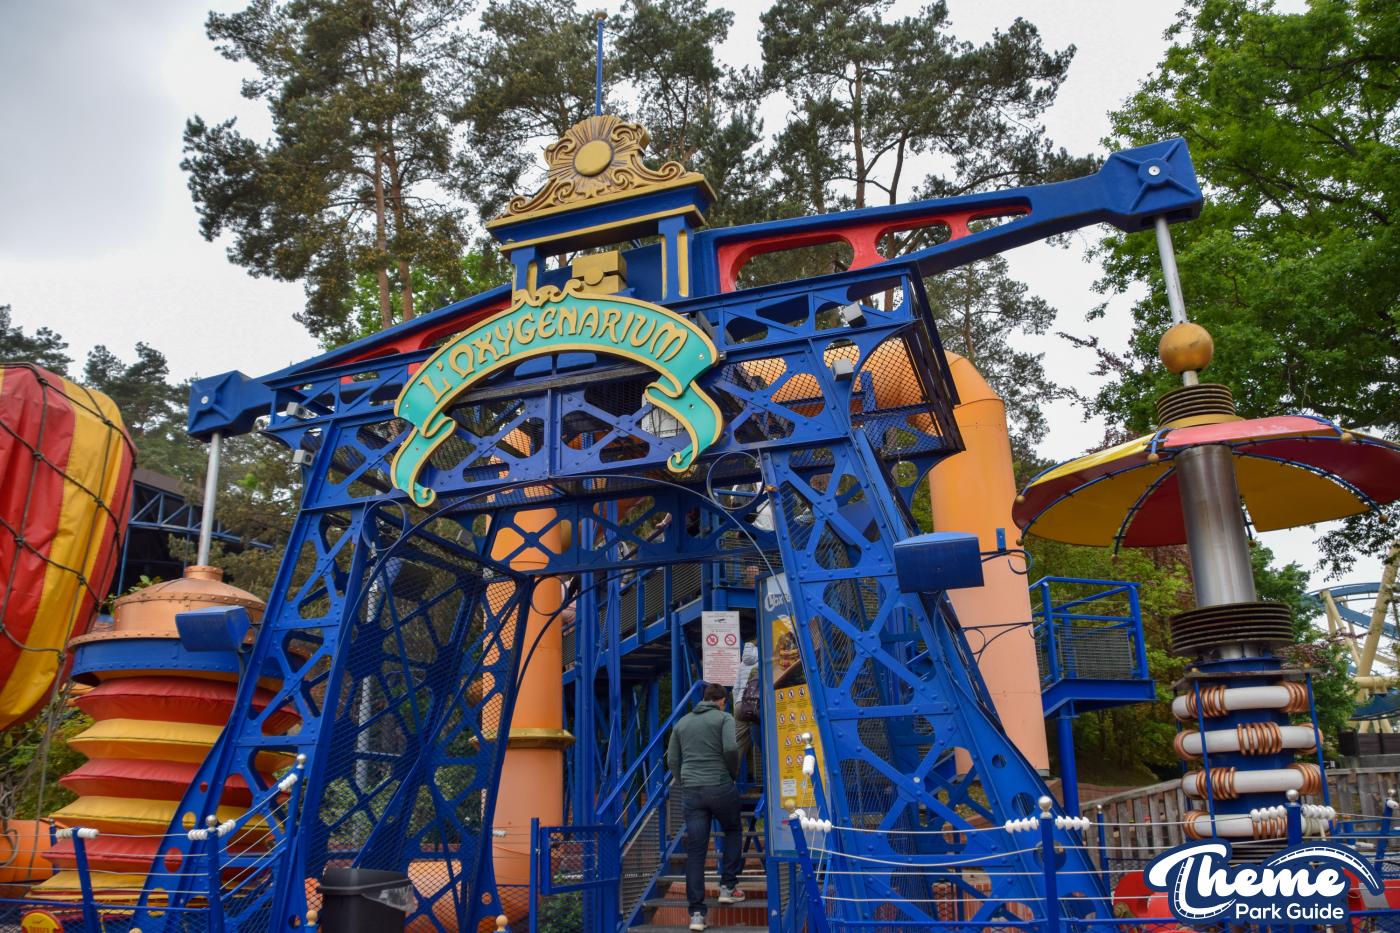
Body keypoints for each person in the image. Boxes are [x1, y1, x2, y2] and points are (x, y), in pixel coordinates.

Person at [667, 682, 745, 932]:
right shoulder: (723, 719)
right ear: (721, 700)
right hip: (720, 785)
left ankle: (697, 915)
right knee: (733, 829)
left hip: (692, 791)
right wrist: (731, 773)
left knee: (696, 852)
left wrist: (683, 780)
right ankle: (728, 887)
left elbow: (672, 759)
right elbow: (731, 748)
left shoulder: (682, 723)